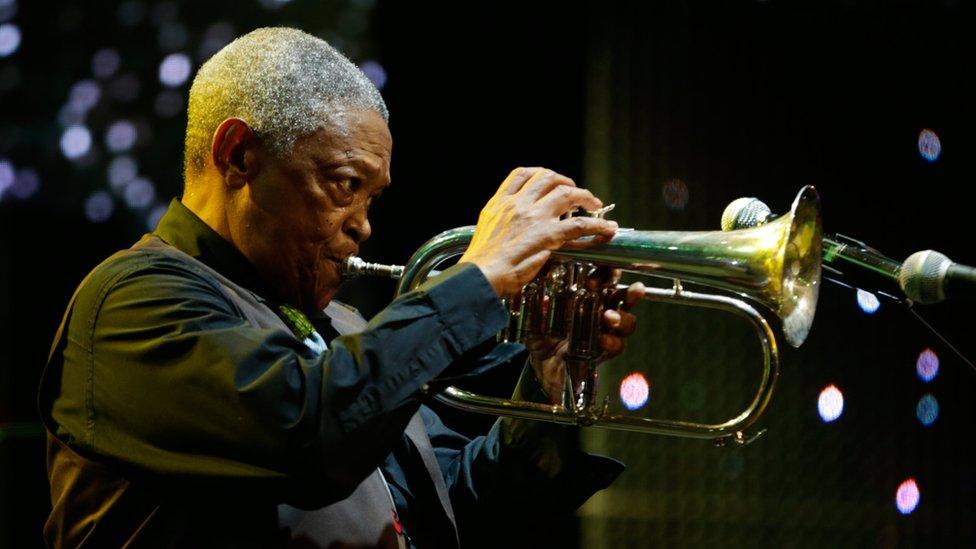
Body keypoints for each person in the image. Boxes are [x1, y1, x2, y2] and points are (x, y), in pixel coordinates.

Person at [39, 27, 643, 548]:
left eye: (372, 195)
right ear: (239, 155)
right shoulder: (133, 301)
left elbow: (458, 510)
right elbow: (309, 434)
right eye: (343, 183)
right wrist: (479, 277)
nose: (364, 223)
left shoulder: (345, 328)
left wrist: (544, 381)